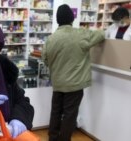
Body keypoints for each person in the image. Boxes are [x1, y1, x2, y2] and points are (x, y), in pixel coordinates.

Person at [42, 4, 105, 141]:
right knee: (69, 114)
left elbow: (45, 59)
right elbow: (101, 35)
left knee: (56, 112)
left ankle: (52, 138)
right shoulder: (80, 34)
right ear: (72, 18)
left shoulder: (51, 39)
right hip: (74, 83)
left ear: (57, 19)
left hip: (58, 82)